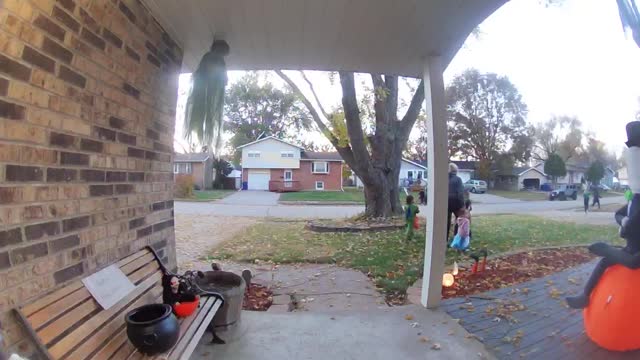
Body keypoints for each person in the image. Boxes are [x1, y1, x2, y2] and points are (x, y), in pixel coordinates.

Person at [447, 163, 465, 243]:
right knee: (460, 220)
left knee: (446, 222)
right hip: (456, 203)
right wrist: (462, 205)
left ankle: (445, 240)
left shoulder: (444, 179)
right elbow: (460, 193)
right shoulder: (458, 179)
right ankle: (456, 238)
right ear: (455, 170)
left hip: (446, 202)